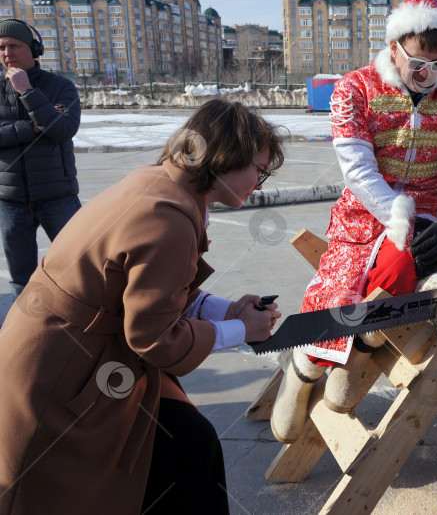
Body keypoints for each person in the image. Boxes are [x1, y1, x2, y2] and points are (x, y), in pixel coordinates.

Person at [0, 99, 284, 514]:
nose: (259, 183)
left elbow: (155, 293)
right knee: (181, 451)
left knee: (187, 448)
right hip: (62, 375)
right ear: (225, 157)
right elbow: (154, 338)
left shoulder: (160, 184)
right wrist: (243, 330)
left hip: (72, 354)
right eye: (259, 170)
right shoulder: (167, 216)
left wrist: (225, 310)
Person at [270, 0, 437, 444]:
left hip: (429, 219)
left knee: (404, 274)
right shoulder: (354, 89)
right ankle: (304, 367)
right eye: (417, 64)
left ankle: (356, 355)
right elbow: (357, 167)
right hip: (365, 214)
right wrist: (396, 217)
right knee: (341, 286)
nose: (428, 75)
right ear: (394, 48)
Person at [0, 19, 82, 300]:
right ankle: (28, 338)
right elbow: (47, 125)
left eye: (14, 45)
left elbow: (62, 130)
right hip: (10, 202)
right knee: (21, 281)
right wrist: (34, 127)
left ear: (34, 49)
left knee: (79, 268)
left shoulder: (60, 87)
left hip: (58, 197)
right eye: (1, 47)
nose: (7, 52)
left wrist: (28, 92)